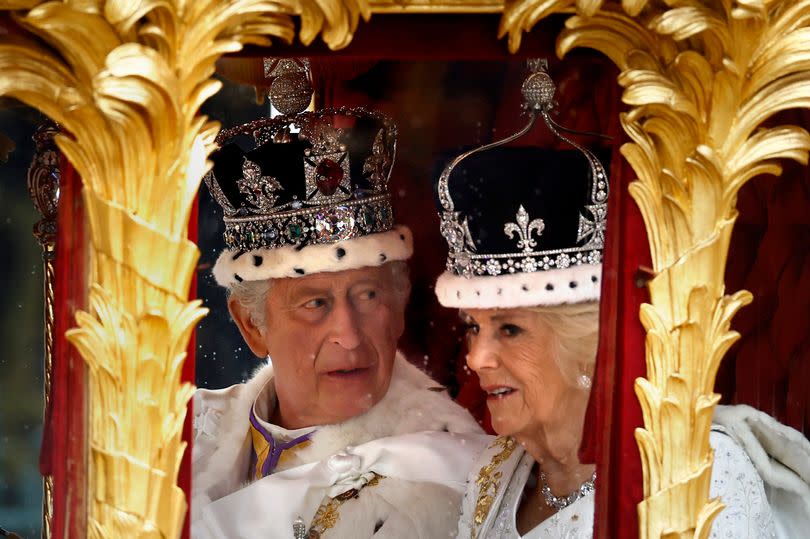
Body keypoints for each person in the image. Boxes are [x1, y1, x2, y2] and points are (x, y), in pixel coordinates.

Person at [433, 62, 795, 538]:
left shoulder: (694, 471)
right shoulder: (495, 472)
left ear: (591, 342)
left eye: (510, 329)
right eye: (474, 326)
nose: (476, 358)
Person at [192, 102, 489, 538]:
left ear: (399, 306)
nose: (349, 337)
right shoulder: (187, 435)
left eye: (368, 295)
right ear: (251, 326)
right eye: (315, 304)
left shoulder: (456, 478)